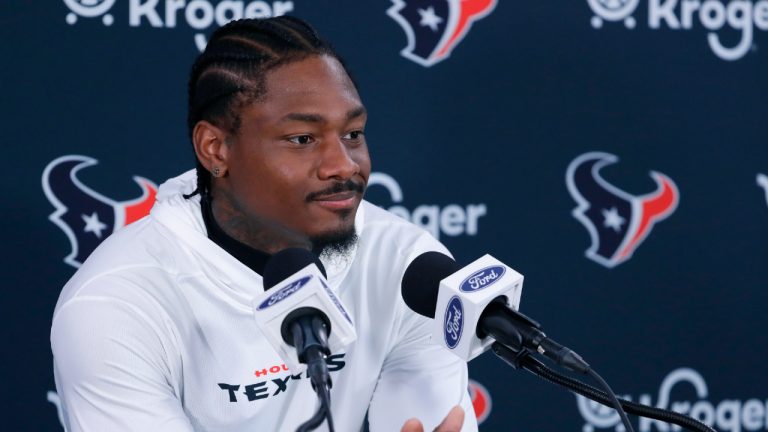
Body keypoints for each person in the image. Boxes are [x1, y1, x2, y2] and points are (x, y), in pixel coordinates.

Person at [51, 16, 477, 432]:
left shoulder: (409, 268)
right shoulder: (115, 302)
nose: (344, 165)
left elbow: (419, 421)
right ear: (215, 149)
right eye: (302, 140)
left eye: (353, 134)